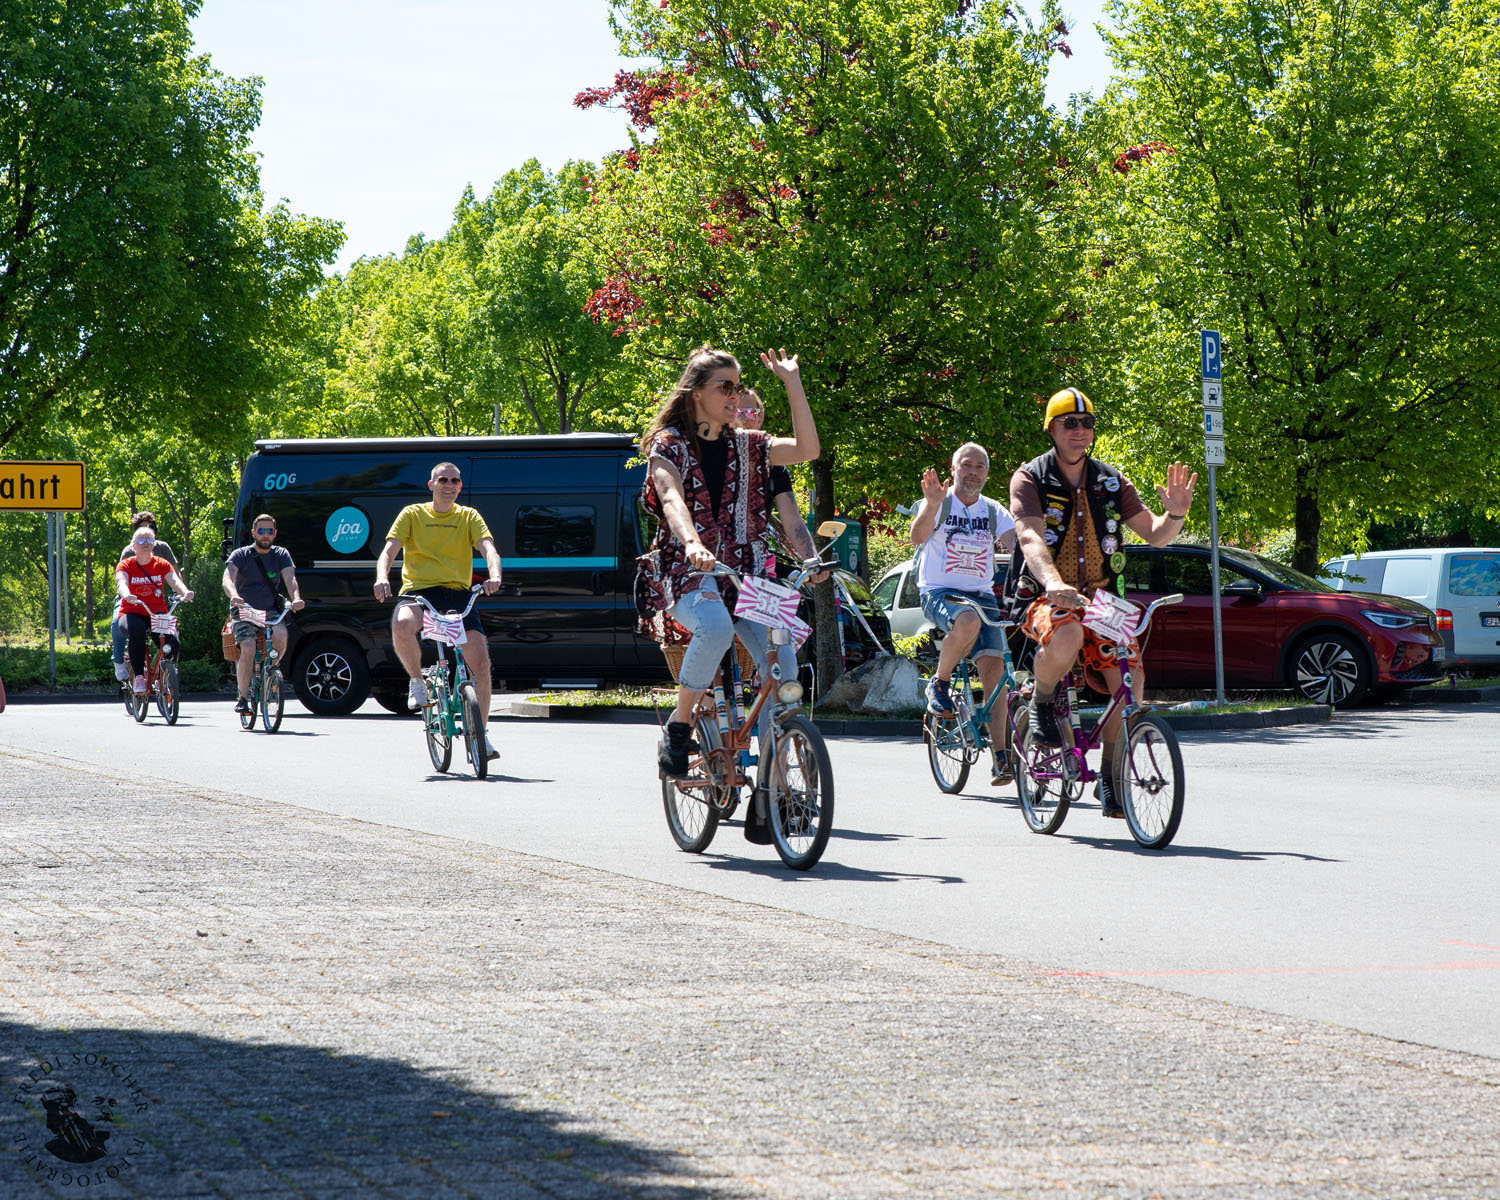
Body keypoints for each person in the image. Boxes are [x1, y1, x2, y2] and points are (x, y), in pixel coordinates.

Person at [1005, 387, 1196, 817]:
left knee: (1131, 681)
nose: (1079, 430)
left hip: (1103, 599)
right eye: (1069, 423)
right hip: (1045, 595)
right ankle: (1041, 700)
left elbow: (1155, 534)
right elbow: (1030, 537)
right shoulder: (1030, 477)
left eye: (1087, 423)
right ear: (1051, 429)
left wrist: (1176, 515)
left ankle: (1110, 778)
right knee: (1068, 631)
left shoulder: (1111, 480)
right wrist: (1052, 582)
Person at [637, 346, 820, 783]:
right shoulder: (669, 445)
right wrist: (693, 543)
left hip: (748, 575)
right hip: (689, 570)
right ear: (697, 392)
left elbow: (807, 449)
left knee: (784, 656)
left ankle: (773, 788)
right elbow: (670, 498)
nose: (735, 396)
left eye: (738, 387)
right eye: (725, 387)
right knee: (716, 627)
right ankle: (680, 727)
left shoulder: (751, 445)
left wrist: (792, 381)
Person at [373, 462, 503, 759]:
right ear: (431, 485)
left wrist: (495, 575)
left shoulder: (469, 516)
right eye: (443, 479)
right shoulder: (412, 514)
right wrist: (382, 577)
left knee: (481, 666)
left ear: (460, 486)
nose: (449, 484)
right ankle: (417, 681)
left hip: (458, 594)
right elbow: (389, 551)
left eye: (455, 481)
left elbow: (488, 549)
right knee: (402, 624)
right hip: (420, 592)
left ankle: (480, 737)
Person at [910, 443, 1018, 785]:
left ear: (987, 473)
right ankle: (939, 684)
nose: (973, 472)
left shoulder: (992, 509)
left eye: (980, 467)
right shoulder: (938, 502)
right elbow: (917, 537)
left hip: (981, 594)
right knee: (967, 621)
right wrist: (931, 505)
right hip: (939, 592)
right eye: (967, 466)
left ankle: (1001, 758)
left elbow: (1019, 542)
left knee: (996, 674)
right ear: (953, 469)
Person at [222, 514, 306, 715]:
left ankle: (271, 673)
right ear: (253, 533)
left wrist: (295, 598)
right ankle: (243, 696)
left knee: (281, 634)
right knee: (248, 647)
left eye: (270, 531)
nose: (265, 535)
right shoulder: (241, 554)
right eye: (261, 531)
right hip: (245, 610)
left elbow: (290, 579)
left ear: (275, 534)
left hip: (268, 610)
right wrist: (233, 595)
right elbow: (227, 578)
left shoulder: (280, 554)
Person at [115, 527, 194, 696]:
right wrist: (127, 594)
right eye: (141, 541)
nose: (146, 544)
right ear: (133, 545)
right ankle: (139, 677)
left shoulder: (161, 564)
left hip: (157, 613)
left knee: (173, 644)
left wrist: (185, 592)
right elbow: (121, 582)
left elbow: (174, 581)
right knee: (137, 632)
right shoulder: (126, 564)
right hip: (132, 612)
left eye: (149, 540)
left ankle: (163, 674)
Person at [110, 513, 178, 685]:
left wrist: (181, 592)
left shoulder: (163, 548)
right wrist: (126, 595)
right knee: (118, 624)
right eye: (142, 529)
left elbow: (175, 575)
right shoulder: (129, 551)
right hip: (131, 598)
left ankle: (164, 667)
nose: (146, 534)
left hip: (155, 600)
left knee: (172, 635)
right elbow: (122, 579)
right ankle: (119, 661)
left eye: (150, 528)